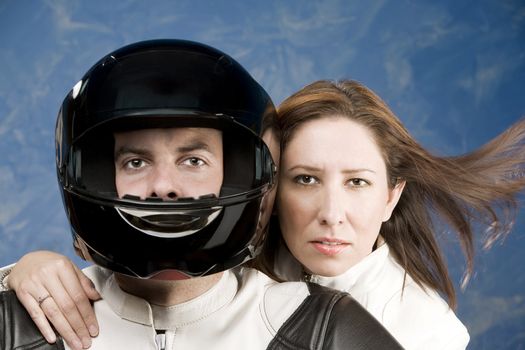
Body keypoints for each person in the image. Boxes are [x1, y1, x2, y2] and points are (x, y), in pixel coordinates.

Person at [0, 41, 402, 350]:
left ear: (241, 174)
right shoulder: (28, 320)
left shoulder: (320, 329)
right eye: (136, 163)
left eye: (193, 161)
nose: (164, 186)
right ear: (97, 176)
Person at [255, 80, 525, 348]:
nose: (332, 214)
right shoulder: (226, 277)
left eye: (357, 182)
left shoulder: (430, 336)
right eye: (306, 179)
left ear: (390, 197)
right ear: (272, 189)